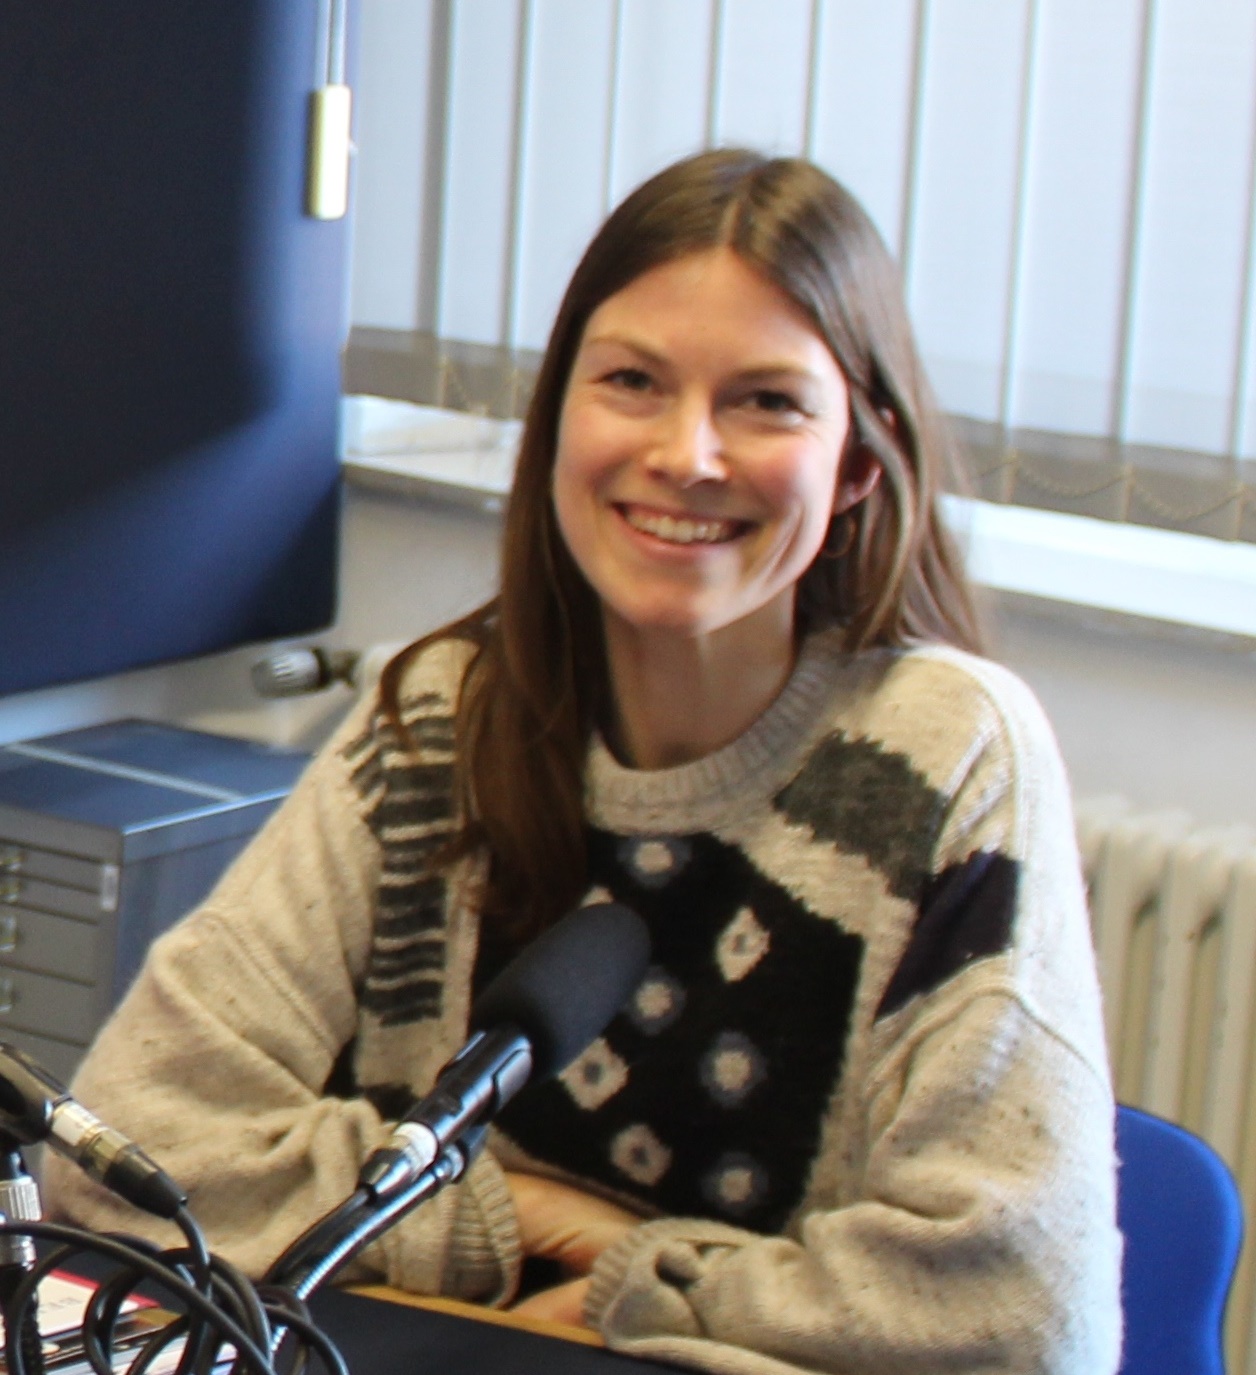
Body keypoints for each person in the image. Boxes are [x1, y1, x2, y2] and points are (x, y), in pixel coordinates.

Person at [46, 149, 1123, 1373]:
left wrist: (641, 1284)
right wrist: (523, 1221)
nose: (688, 453)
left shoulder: (947, 752)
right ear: (556, 418)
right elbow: (120, 1156)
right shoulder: (444, 719)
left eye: (765, 401)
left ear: (859, 464)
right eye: (631, 382)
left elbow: (1022, 1315)